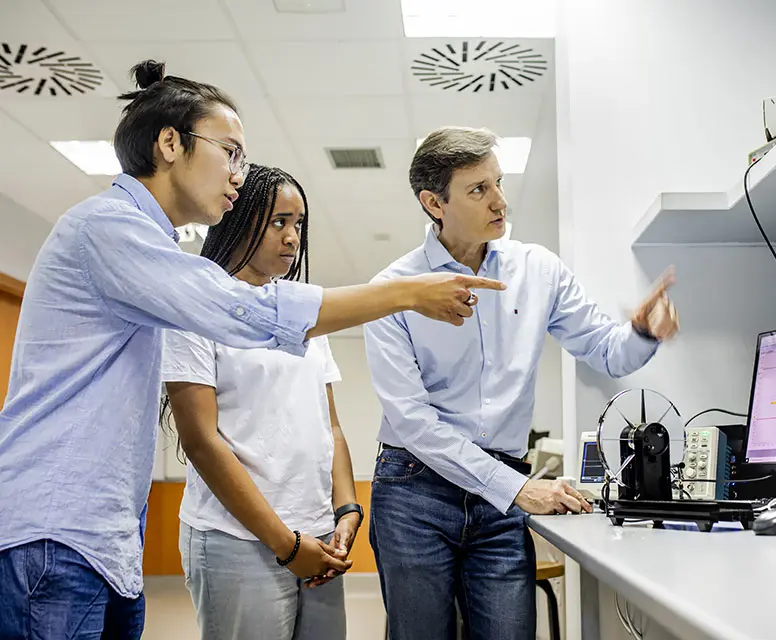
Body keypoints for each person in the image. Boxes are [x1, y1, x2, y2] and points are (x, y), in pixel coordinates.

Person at [0, 63, 503, 639]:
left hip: (105, 537)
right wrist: (405, 292)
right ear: (170, 143)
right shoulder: (108, 230)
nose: (239, 174)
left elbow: (322, 419)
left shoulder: (150, 247)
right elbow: (246, 315)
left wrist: (342, 510)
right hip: (56, 533)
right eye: (231, 152)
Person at [363, 126, 680, 640]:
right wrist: (519, 490)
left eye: (498, 182)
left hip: (501, 490)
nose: (499, 201)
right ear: (433, 202)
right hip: (414, 490)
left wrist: (642, 331)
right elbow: (414, 423)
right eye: (478, 189)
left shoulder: (538, 271)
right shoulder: (392, 292)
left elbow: (604, 350)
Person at [162, 164, 356, 639]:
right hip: (239, 542)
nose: (292, 237)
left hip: (318, 538)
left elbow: (330, 427)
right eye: (278, 222)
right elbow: (202, 443)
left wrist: (347, 509)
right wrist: (286, 546)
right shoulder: (194, 311)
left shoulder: (303, 313)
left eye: (299, 225)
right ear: (238, 218)